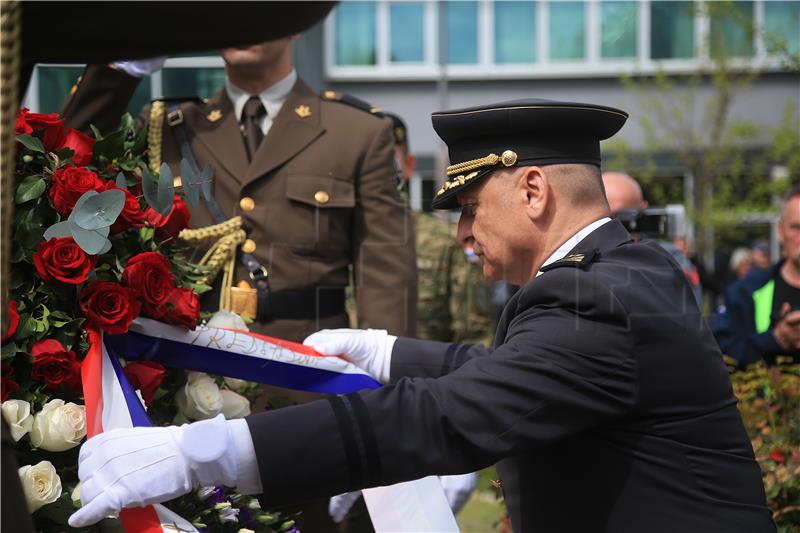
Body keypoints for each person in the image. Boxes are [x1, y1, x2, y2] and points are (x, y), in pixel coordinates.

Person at [68, 99, 774, 533]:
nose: (464, 233)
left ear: (532, 190)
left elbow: (446, 414)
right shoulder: (625, 273)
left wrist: (210, 451)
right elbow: (508, 372)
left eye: (470, 207)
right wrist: (387, 352)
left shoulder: (599, 301)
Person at [61, 40, 418, 344]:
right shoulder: (167, 128)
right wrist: (120, 69)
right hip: (189, 375)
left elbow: (386, 274)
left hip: (309, 380)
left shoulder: (357, 131)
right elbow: (64, 166)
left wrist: (382, 392)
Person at [712, 186, 800, 367]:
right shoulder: (744, 292)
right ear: (780, 231)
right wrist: (774, 339)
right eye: (796, 228)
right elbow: (719, 353)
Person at [601, 171, 703, 307]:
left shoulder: (668, 258)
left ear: (643, 212)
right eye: (604, 217)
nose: (613, 225)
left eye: (622, 217)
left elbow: (687, 312)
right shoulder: (580, 255)